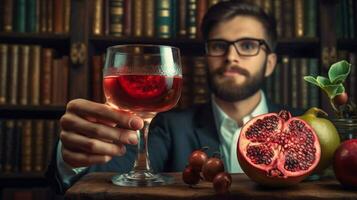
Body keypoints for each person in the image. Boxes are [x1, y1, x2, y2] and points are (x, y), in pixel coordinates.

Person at [46, 0, 302, 194]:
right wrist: (70, 158)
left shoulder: (303, 128)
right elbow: (109, 176)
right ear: (205, 58)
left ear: (270, 62)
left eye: (248, 45)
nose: (231, 57)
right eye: (218, 46)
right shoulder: (168, 126)